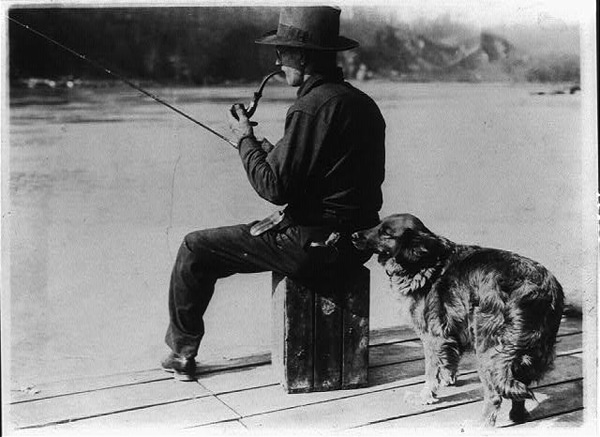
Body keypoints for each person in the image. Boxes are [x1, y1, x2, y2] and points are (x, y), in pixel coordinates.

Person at [161, 6, 386, 381]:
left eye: (283, 52)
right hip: (356, 246)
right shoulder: (362, 104)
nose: (278, 60)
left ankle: (181, 354)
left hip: (312, 250)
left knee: (194, 248)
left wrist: (245, 141)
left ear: (305, 55)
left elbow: (274, 187)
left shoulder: (309, 108)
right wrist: (266, 148)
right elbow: (325, 174)